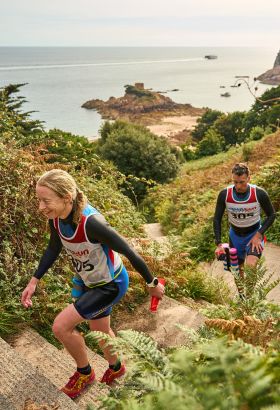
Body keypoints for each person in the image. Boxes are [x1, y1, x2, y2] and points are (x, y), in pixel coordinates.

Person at [21, 169, 164, 399]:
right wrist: (34, 280)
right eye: (39, 200)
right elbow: (53, 248)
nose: (41, 207)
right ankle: (117, 368)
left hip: (110, 285)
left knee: (61, 327)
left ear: (66, 197)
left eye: (45, 200)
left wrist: (152, 283)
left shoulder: (92, 223)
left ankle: (84, 373)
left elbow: (128, 250)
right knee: (100, 331)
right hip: (90, 282)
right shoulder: (57, 219)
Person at [213, 163, 276, 292]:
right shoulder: (224, 194)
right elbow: (217, 218)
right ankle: (242, 298)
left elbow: (272, 215)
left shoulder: (259, 193)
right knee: (237, 271)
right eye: (235, 182)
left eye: (241, 182)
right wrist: (219, 243)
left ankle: (250, 299)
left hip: (253, 235)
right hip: (235, 236)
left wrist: (259, 235)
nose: (238, 186)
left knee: (251, 267)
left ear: (248, 178)